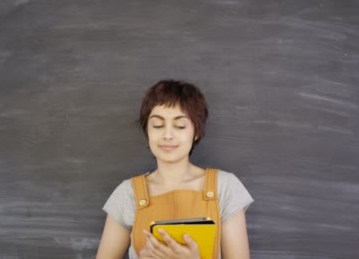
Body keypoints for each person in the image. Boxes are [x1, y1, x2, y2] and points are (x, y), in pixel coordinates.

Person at [96, 79, 253, 259]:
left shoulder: (225, 187)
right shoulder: (127, 193)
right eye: (157, 125)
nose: (167, 135)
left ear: (196, 132)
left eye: (180, 126)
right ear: (147, 131)